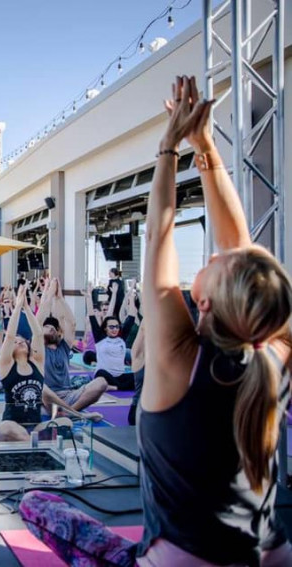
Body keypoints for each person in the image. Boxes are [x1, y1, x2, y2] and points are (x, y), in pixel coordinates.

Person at [21, 75, 292, 566]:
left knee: (37, 504)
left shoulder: (178, 359)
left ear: (206, 304)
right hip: (272, 556)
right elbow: (243, 254)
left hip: (180, 562)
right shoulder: (274, 355)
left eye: (214, 263)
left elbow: (160, 235)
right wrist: (205, 147)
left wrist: (170, 148)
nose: (210, 258)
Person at [0, 285, 100, 441]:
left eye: (22, 340)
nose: (19, 342)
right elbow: (9, 335)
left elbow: (37, 334)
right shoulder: (6, 366)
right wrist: (18, 307)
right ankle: (34, 444)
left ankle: (32, 443)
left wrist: (28, 309)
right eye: (16, 342)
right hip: (13, 424)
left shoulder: (37, 363)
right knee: (5, 428)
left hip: (35, 426)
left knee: (65, 423)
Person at [37, 279, 108, 410]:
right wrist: (50, 294)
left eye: (54, 328)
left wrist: (60, 298)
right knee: (40, 388)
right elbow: (38, 320)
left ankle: (71, 412)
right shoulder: (38, 349)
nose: (51, 328)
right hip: (47, 398)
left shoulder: (63, 347)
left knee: (101, 382)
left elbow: (71, 323)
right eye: (47, 326)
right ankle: (70, 413)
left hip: (69, 396)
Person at [81, 283, 137, 391]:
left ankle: (115, 387)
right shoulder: (100, 337)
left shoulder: (121, 337)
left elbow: (131, 317)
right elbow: (92, 317)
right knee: (101, 373)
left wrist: (131, 297)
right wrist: (88, 297)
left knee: (139, 377)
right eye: (111, 327)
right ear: (105, 328)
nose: (115, 329)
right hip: (105, 375)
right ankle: (119, 387)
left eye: (116, 327)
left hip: (119, 376)